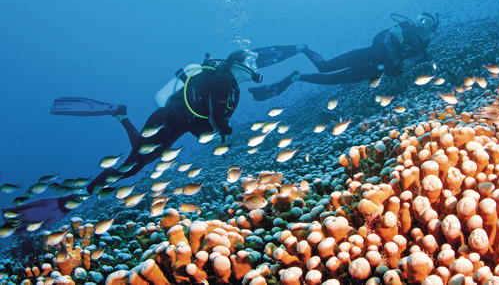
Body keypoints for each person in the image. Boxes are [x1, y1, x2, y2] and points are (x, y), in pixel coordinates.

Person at [2, 50, 261, 232]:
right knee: (134, 163)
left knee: (136, 160)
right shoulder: (221, 81)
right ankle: (83, 191)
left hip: (173, 123)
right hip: (168, 120)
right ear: (239, 64)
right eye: (252, 61)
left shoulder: (226, 82)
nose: (256, 67)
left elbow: (205, 119)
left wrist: (218, 130)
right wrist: (224, 131)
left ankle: (120, 116)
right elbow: (215, 118)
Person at [249, 13, 439, 101]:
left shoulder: (422, 53)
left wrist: (403, 65)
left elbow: (395, 72)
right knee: (324, 67)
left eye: (427, 22)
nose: (422, 24)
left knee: (331, 80)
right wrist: (391, 38)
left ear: (432, 29)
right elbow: (377, 40)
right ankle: (302, 49)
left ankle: (296, 77)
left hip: (370, 72)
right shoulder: (403, 27)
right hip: (365, 55)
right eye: (421, 19)